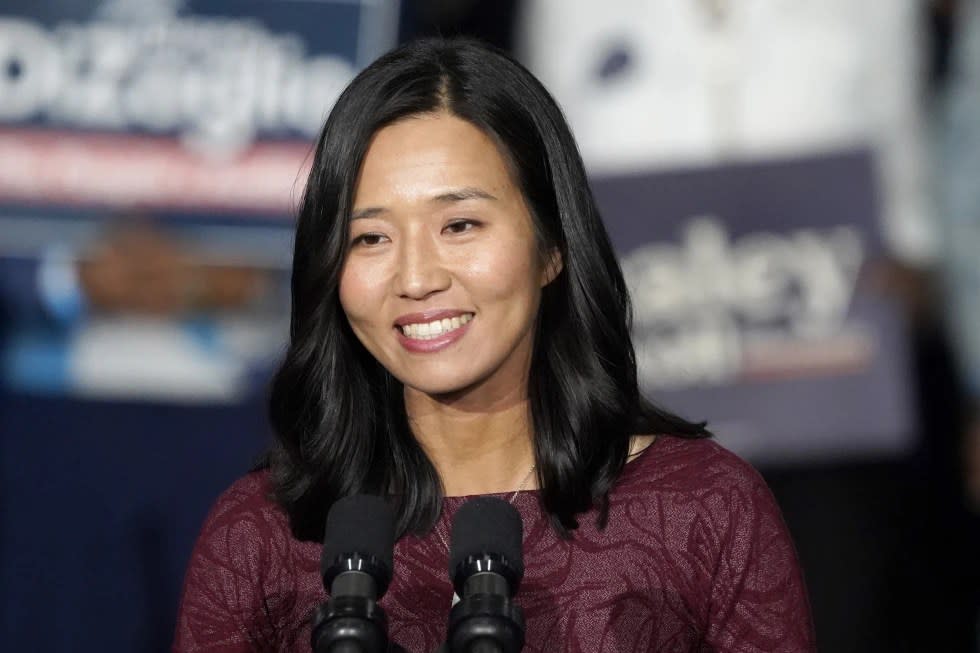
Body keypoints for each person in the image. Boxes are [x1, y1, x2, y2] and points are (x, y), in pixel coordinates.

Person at [173, 37, 815, 652]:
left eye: (460, 225)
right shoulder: (260, 535)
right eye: (371, 239)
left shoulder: (705, 508)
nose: (417, 279)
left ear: (552, 246)